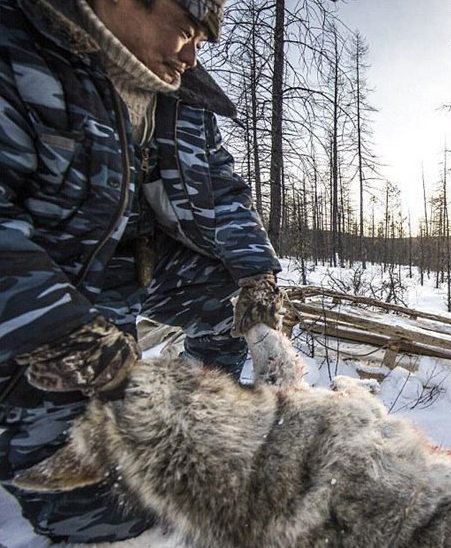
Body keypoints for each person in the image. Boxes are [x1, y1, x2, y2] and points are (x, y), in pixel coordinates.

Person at [0, 0, 281, 542]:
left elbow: (222, 190)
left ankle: (207, 413)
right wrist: (62, 334)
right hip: (38, 303)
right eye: (185, 31)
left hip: (134, 271)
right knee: (110, 507)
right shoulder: (20, 50)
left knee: (230, 304)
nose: (193, 56)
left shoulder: (182, 98)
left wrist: (257, 279)